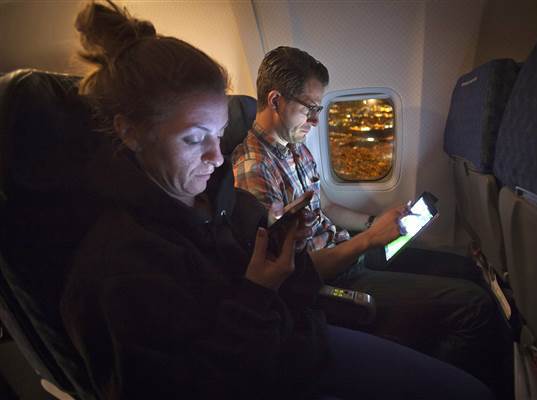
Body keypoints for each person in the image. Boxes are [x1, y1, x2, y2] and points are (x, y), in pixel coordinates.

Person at [60, 2, 495, 399]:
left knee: (461, 277)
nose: (216, 157)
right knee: (470, 325)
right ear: (131, 132)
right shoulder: (123, 265)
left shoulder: (219, 201)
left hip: (300, 334)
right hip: (286, 357)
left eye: (217, 134)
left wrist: (352, 229)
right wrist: (265, 286)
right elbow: (206, 375)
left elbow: (287, 273)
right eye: (195, 139)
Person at [232, 46, 513, 399]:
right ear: (275, 101)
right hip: (329, 280)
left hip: (346, 252)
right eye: (311, 108)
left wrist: (371, 222)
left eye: (320, 108)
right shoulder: (254, 170)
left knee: (467, 270)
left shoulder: (294, 147)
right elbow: (292, 271)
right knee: (474, 308)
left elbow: (327, 205)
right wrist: (367, 241)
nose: (317, 120)